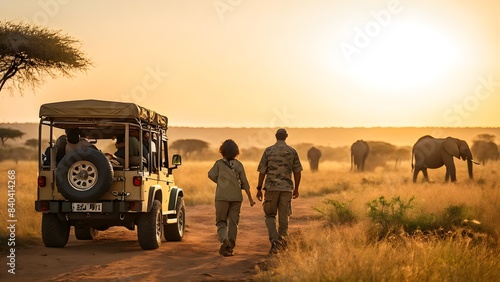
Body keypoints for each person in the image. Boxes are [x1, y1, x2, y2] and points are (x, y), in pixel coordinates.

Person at [256, 128, 303, 255]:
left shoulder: (268, 150)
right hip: (286, 189)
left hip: (271, 188)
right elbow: (297, 171)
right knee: (284, 218)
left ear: (276, 136)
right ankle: (282, 243)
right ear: (286, 137)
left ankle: (274, 241)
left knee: (270, 216)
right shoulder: (292, 151)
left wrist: (259, 188)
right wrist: (296, 188)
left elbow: (262, 171)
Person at [208, 139, 255, 257]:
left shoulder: (219, 163)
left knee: (221, 221)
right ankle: (230, 248)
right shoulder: (239, 165)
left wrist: (220, 182)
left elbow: (211, 175)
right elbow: (245, 183)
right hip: (236, 198)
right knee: (234, 223)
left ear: (222, 151)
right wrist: (250, 199)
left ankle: (224, 240)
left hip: (221, 197)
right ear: (236, 152)